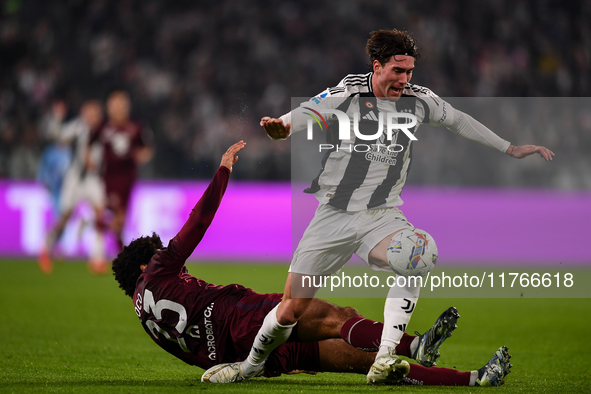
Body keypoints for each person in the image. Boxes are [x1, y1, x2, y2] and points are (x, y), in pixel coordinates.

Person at [208, 29, 555, 384]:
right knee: (290, 311)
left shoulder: (420, 100)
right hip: (333, 217)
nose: (404, 80)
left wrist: (509, 148)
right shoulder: (349, 92)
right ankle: (250, 366)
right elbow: (308, 110)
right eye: (397, 71)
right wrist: (282, 127)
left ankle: (385, 357)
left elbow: (458, 119)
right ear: (377, 67)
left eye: (409, 72)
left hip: (381, 217)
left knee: (418, 256)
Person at [112, 141, 512, 387]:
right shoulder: (158, 269)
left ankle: (474, 379)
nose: (179, 268)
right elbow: (197, 223)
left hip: (243, 356)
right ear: (146, 262)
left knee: (367, 359)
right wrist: (222, 172)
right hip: (239, 319)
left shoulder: (142, 314)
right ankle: (417, 344)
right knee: (336, 315)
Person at [39, 100, 109, 274]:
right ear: (83, 113)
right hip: (75, 178)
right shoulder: (78, 127)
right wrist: (57, 118)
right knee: (64, 217)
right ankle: (45, 247)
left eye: (94, 112)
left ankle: (97, 259)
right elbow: (57, 135)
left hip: (94, 178)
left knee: (100, 215)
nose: (91, 116)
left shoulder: (105, 130)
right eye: (88, 112)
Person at [88, 90, 153, 251]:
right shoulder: (103, 127)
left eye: (121, 104)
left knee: (120, 221)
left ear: (127, 106)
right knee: (118, 219)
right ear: (109, 107)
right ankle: (121, 251)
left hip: (128, 178)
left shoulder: (136, 127)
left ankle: (95, 224)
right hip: (107, 177)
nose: (118, 108)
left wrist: (141, 155)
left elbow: (147, 148)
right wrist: (88, 159)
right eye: (115, 104)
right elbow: (89, 143)